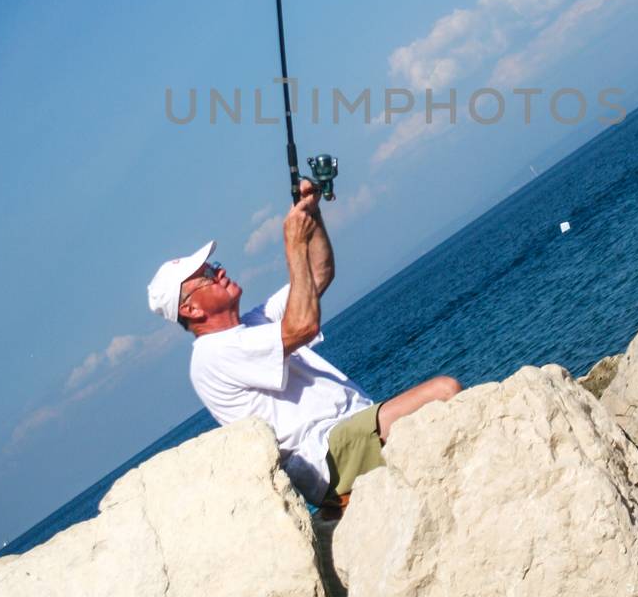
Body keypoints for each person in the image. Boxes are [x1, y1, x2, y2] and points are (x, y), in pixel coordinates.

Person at [147, 179, 461, 510]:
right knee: (444, 391)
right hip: (329, 453)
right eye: (208, 275)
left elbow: (318, 273)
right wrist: (293, 245)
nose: (220, 271)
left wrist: (312, 215)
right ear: (191, 309)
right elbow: (303, 326)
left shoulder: (253, 323)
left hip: (354, 430)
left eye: (215, 265)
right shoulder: (213, 355)